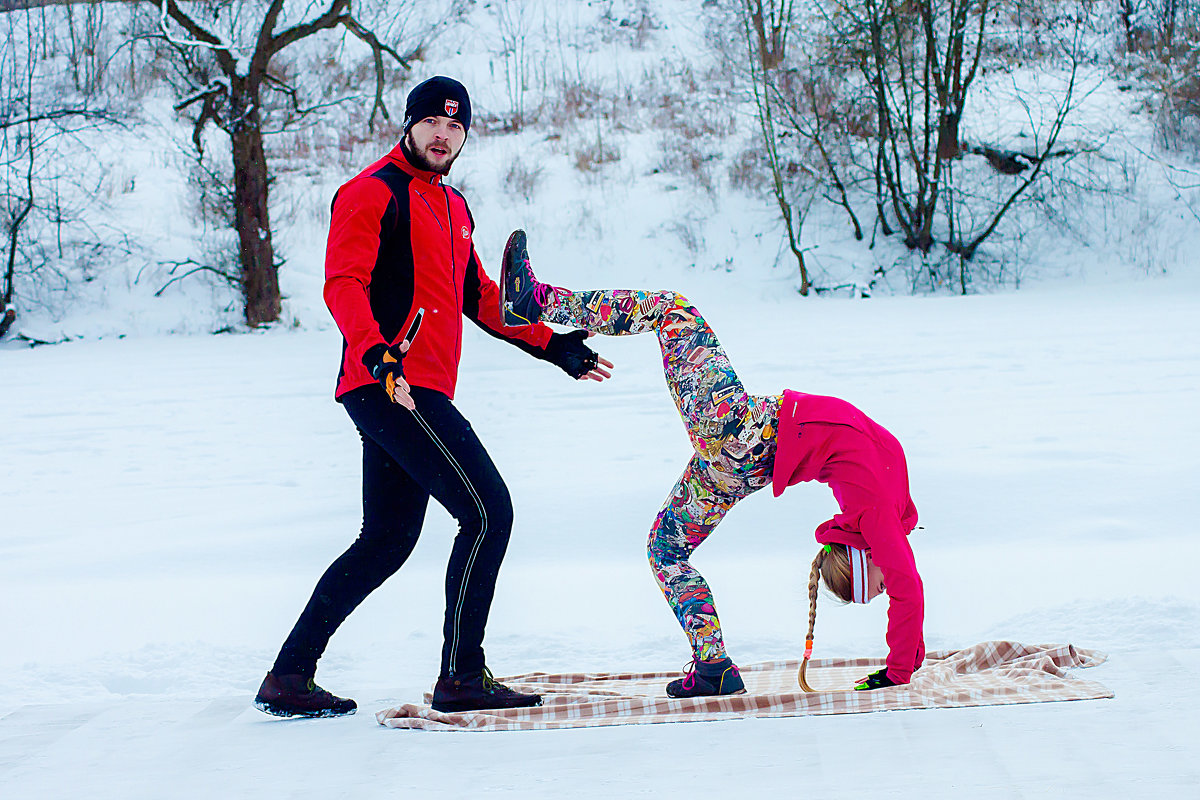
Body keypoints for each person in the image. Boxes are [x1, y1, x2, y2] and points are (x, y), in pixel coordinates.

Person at [254, 77, 614, 718]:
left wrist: (551, 346)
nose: (443, 134)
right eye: (432, 123)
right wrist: (374, 348)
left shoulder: (455, 208)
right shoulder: (369, 194)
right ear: (409, 124)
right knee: (488, 511)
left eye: (456, 126)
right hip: (391, 383)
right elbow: (344, 285)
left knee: (388, 539)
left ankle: (288, 677)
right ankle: (462, 676)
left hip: (416, 389)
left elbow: (479, 296)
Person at [498, 231, 923, 697]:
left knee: (671, 310)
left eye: (874, 585)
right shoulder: (882, 509)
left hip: (741, 433)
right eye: (874, 589)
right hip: (741, 465)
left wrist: (900, 670)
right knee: (665, 549)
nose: (886, 583)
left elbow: (907, 588)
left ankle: (536, 303)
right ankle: (713, 666)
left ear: (866, 556)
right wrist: (911, 658)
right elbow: (902, 582)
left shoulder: (876, 515)